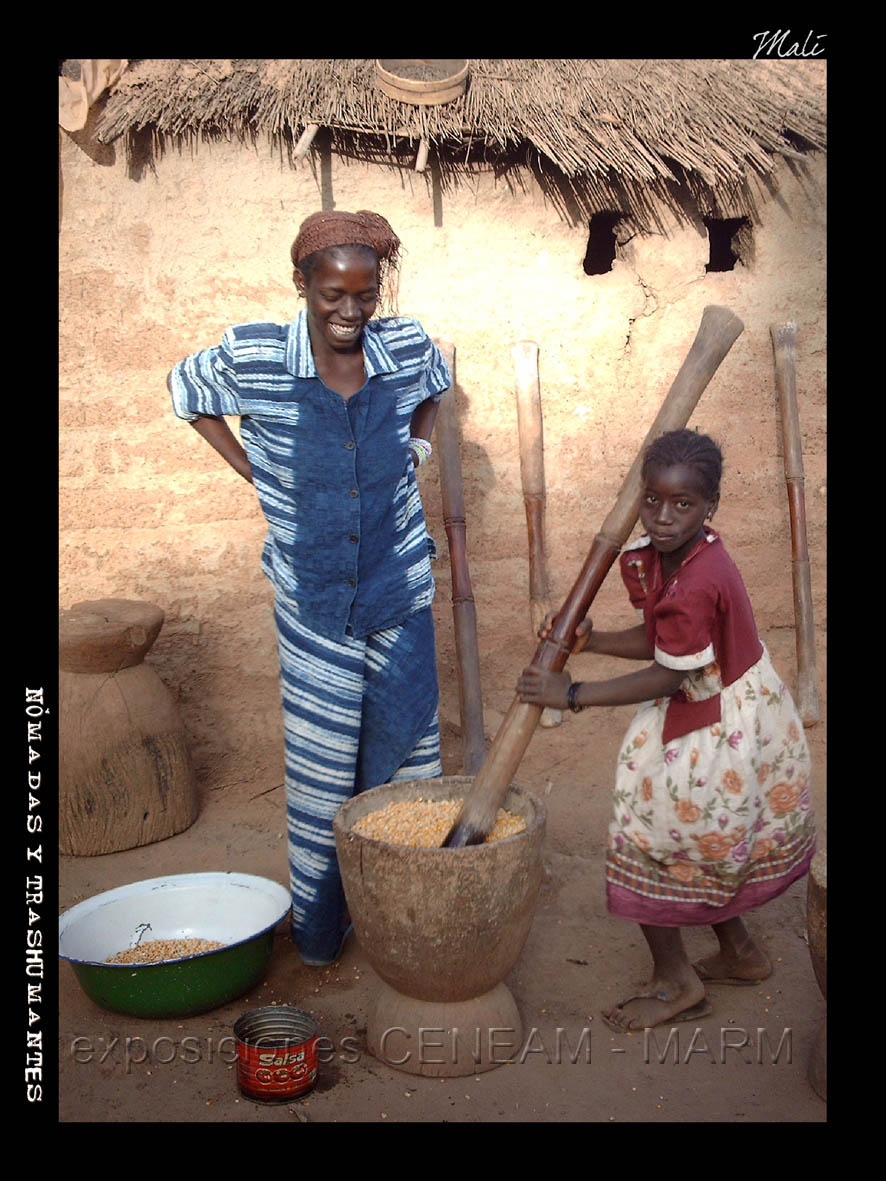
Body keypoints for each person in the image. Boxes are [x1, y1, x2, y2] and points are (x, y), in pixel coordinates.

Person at [168, 209, 451, 966]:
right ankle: (328, 932)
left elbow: (439, 384)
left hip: (398, 590)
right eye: (332, 294)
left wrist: (417, 447)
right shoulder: (256, 356)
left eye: (365, 295)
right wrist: (252, 469)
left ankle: (411, 917)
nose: (350, 312)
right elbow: (185, 388)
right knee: (323, 770)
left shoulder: (405, 346)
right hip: (315, 600)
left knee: (411, 757)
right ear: (303, 284)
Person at [516, 428, 816, 1032]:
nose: (663, 517)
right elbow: (665, 644)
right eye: (653, 500)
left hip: (718, 720)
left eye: (683, 505)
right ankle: (740, 953)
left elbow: (667, 674)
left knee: (649, 835)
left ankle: (677, 981)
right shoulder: (669, 558)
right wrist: (593, 640)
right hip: (716, 705)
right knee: (696, 834)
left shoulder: (701, 576)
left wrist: (573, 694)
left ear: (710, 507)